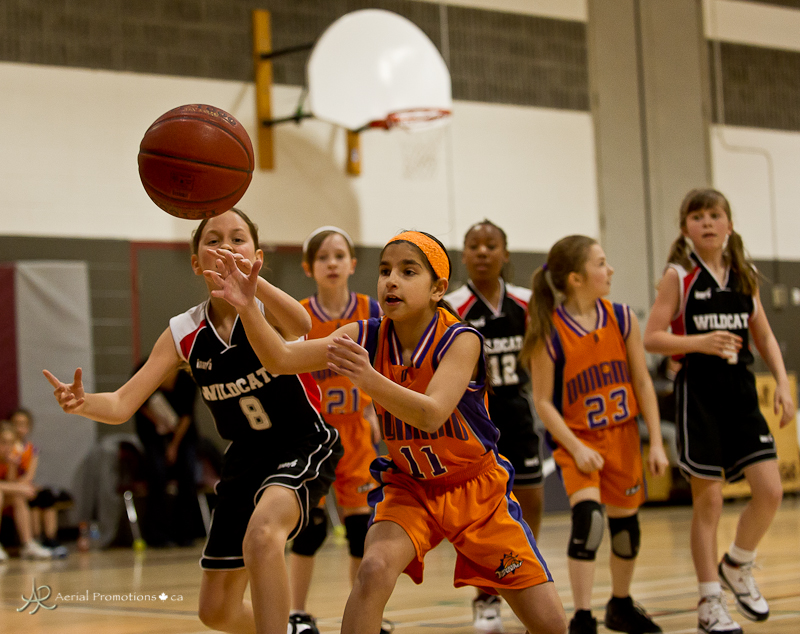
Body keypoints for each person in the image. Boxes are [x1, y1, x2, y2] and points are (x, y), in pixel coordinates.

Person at [206, 230, 567, 634]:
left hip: (474, 491)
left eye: (408, 272)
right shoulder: (367, 334)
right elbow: (281, 359)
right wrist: (248, 305)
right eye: (384, 270)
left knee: (551, 626)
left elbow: (431, 414)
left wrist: (368, 377)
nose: (391, 280)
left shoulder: (461, 339)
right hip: (411, 488)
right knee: (374, 568)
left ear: (437, 289)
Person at [44, 208, 343, 634]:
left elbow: (302, 323)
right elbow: (122, 403)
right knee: (216, 611)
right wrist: (83, 402)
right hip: (244, 458)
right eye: (213, 241)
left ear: (256, 256)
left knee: (262, 536)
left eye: (237, 239)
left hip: (301, 441)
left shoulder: (266, 308)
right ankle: (294, 630)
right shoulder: (183, 332)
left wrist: (251, 282)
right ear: (196, 262)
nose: (225, 249)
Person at [643, 188, 792, 634]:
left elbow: (764, 336)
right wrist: (699, 343)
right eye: (697, 216)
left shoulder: (745, 275)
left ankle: (738, 563)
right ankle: (709, 601)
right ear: (685, 227)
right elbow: (652, 337)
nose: (706, 222)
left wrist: (783, 383)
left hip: (741, 394)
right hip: (699, 395)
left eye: (714, 214)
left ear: (728, 223)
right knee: (708, 501)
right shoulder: (679, 276)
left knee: (770, 491)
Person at [520, 235, 669, 634]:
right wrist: (576, 447)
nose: (610, 269)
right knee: (589, 521)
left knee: (626, 531)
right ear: (576, 278)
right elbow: (543, 402)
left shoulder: (622, 318)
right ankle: (583, 616)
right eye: (601, 263)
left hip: (622, 437)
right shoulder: (549, 330)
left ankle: (620, 604)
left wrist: (656, 441)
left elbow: (642, 382)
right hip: (578, 441)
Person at [445, 219, 545, 632]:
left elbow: (543, 356)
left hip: (517, 413)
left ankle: (523, 576)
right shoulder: (452, 305)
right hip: (474, 419)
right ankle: (485, 597)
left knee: (531, 500)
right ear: (464, 255)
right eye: (474, 245)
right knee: (482, 513)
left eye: (491, 245)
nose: (483, 252)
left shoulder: (526, 302)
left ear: (505, 254)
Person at [287, 226, 383, 634]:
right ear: (308, 267)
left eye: (339, 255)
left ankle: (361, 615)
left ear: (352, 264)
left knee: (361, 532)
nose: (332, 263)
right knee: (309, 531)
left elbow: (384, 364)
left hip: (357, 434)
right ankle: (296, 613)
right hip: (313, 438)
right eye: (323, 257)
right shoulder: (297, 315)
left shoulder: (371, 309)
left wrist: (377, 408)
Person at [134, 363, 201, 547]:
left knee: (188, 475)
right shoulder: (144, 371)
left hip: (182, 435)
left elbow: (187, 416)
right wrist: (159, 422)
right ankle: (158, 535)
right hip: (153, 433)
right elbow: (138, 404)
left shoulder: (187, 378)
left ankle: (186, 533)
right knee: (157, 475)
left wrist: (173, 446)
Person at [9, 408, 71, 557]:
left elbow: (30, 475)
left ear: (29, 427)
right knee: (29, 497)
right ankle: (34, 539)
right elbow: (9, 478)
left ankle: (50, 538)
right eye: (16, 424)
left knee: (46, 496)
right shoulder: (8, 448)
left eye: (23, 424)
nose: (19, 428)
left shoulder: (32, 449)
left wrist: (26, 484)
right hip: (13, 488)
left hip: (24, 485)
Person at [0, 420, 51, 560]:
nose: (7, 447)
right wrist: (19, 488)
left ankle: (28, 544)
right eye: (3, 442)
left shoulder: (10, 459)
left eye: (11, 443)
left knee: (18, 497)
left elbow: (11, 484)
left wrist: (12, 467)